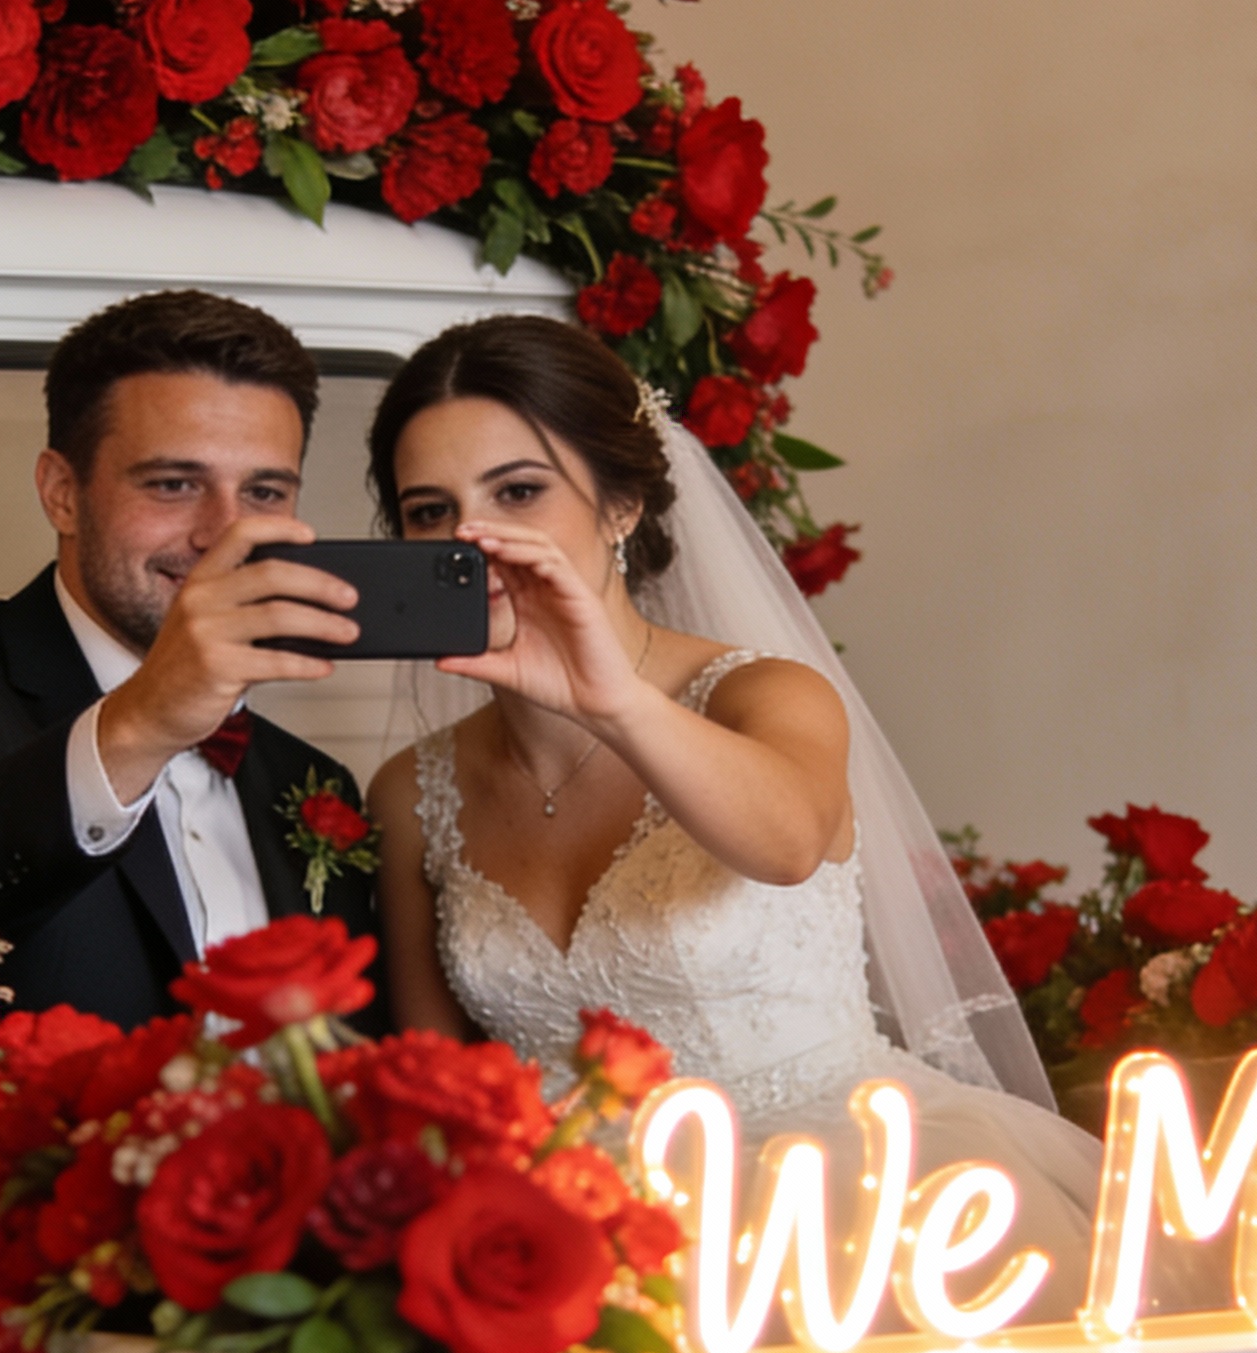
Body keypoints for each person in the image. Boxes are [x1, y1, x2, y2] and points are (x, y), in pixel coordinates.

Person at [360, 316, 1101, 1295]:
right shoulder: (414, 791)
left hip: (846, 1208)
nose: (474, 540)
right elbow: (437, 1088)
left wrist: (609, 697)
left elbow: (788, 843)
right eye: (428, 511)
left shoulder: (769, 696)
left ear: (620, 504)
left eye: (519, 491)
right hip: (570, 1247)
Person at [0, 290, 374, 1028]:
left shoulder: (315, 782)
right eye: (174, 484)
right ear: (63, 494)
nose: (223, 534)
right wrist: (142, 723)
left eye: (263, 491)